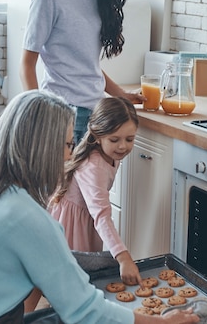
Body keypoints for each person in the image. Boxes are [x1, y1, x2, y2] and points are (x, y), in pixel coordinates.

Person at [0, 90, 199, 324]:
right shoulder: (27, 218)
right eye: (67, 144)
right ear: (44, 149)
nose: (70, 154)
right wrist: (163, 322)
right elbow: (86, 311)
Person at [20, 0, 144, 145]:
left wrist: (120, 94)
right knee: (61, 183)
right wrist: (37, 116)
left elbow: (87, 64)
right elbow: (27, 64)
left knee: (94, 184)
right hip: (62, 115)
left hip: (98, 115)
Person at [49, 97, 142, 286]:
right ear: (97, 136)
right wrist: (123, 257)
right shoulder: (94, 166)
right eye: (114, 139)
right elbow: (101, 214)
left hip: (86, 220)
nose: (123, 146)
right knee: (72, 282)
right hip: (73, 226)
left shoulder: (109, 154)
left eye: (130, 139)